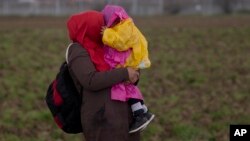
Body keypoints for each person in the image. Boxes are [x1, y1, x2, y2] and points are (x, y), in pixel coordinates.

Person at [66, 11, 140, 141]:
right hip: (102, 121)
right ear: (89, 28)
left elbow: (128, 68)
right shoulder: (77, 50)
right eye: (100, 24)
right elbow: (91, 80)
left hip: (124, 116)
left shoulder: (109, 44)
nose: (105, 27)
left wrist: (134, 73)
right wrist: (124, 73)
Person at [101, 5, 155, 133]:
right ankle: (144, 111)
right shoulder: (127, 25)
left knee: (128, 88)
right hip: (132, 61)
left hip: (129, 62)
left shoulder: (125, 27)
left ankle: (139, 115)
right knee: (129, 87)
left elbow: (121, 43)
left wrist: (107, 33)